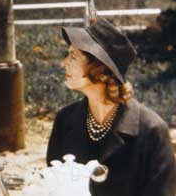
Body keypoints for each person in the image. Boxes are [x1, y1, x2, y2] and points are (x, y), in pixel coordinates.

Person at [47, 17, 176, 196]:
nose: (64, 63)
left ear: (99, 69)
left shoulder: (152, 131)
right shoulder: (65, 120)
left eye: (73, 56)